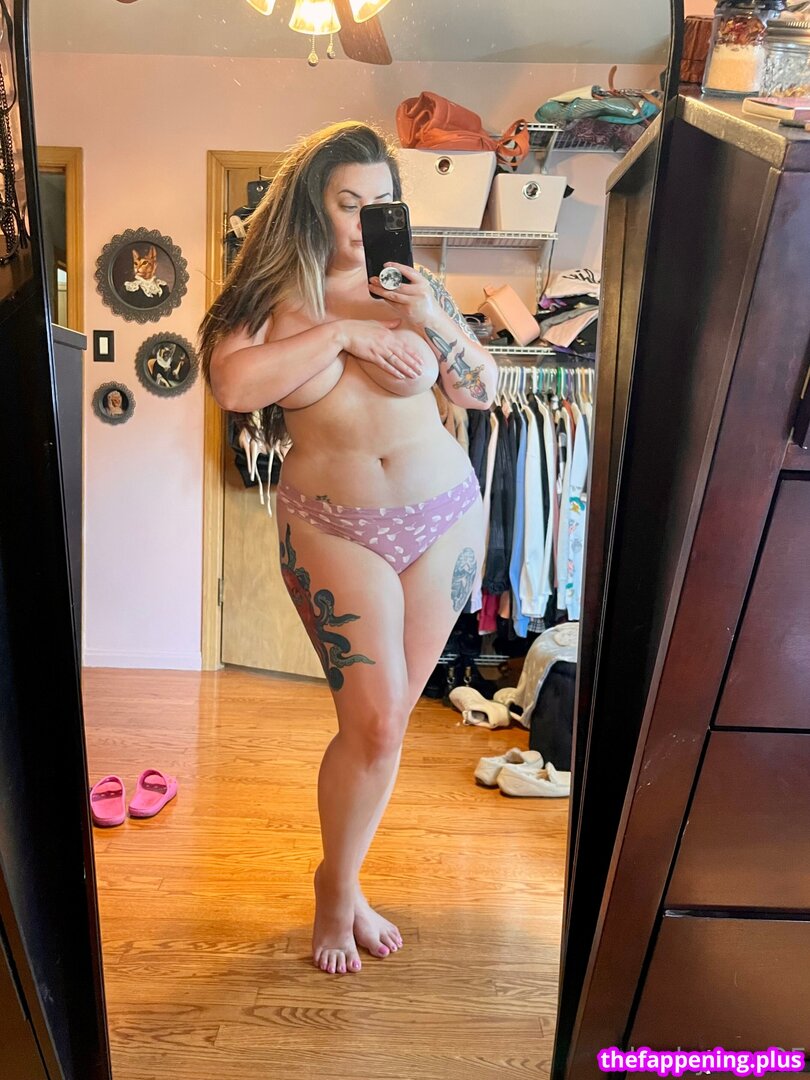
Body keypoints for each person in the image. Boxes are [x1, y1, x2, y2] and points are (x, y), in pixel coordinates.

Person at [199, 121, 497, 976]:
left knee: (389, 724)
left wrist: (429, 316)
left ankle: (347, 877)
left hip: (443, 515)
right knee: (371, 720)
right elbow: (231, 384)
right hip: (334, 526)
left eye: (381, 203)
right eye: (348, 202)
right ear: (312, 204)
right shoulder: (270, 293)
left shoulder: (414, 284)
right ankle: (335, 889)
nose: (366, 220)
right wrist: (340, 335)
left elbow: (480, 391)